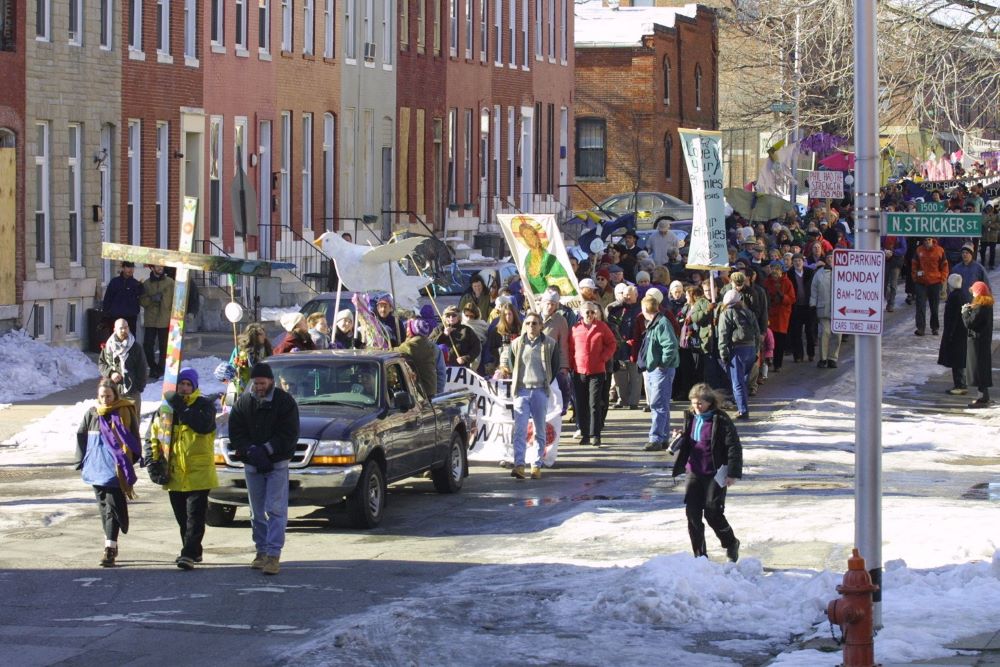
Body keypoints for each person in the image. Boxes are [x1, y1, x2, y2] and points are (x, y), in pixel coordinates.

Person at [228, 362, 301, 575]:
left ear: (271, 381)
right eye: (256, 382)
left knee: (275, 509)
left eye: (262, 382)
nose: (259, 386)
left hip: (277, 464)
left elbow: (289, 434)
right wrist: (250, 450)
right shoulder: (243, 402)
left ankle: (273, 554)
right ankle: (260, 551)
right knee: (256, 511)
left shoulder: (284, 402)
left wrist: (267, 449)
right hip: (252, 465)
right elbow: (236, 431)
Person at [145, 367, 218, 570]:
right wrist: (153, 463)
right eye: (181, 384)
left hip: (199, 472)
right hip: (175, 473)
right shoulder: (165, 411)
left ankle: (187, 554)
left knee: (195, 515)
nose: (185, 388)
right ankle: (194, 550)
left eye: (188, 385)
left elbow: (201, 425)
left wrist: (178, 404)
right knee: (182, 517)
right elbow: (152, 437)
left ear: (194, 387)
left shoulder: (204, 405)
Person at [671, 383, 743, 562]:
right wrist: (679, 436)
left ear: (710, 402)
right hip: (693, 471)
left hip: (714, 473)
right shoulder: (691, 417)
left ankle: (731, 543)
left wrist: (733, 472)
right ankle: (700, 557)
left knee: (713, 513)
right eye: (694, 403)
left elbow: (734, 446)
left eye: (700, 403)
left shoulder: (721, 419)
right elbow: (690, 439)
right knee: (692, 515)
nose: (697, 407)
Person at [76, 379, 142, 567]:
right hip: (95, 466)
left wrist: (131, 461)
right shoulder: (92, 413)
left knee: (112, 508)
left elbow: (134, 437)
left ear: (115, 395)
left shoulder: (124, 411)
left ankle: (110, 548)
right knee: (104, 507)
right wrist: (81, 460)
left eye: (109, 396)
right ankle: (111, 542)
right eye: (102, 396)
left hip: (115, 469)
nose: (105, 400)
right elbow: (81, 435)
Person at [508, 313, 560, 480]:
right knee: (520, 430)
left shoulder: (550, 344)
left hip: (539, 390)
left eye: (535, 323)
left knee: (539, 430)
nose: (531, 326)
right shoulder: (516, 344)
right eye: (528, 323)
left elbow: (555, 365)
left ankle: (536, 465)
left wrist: (544, 382)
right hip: (522, 391)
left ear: (541, 325)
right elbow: (511, 363)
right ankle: (519, 465)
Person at [568, 302, 617, 447]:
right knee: (581, 404)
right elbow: (570, 348)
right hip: (579, 371)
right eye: (587, 312)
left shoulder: (602, 327)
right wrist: (572, 364)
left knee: (594, 403)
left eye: (592, 312)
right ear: (581, 314)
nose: (589, 315)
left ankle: (595, 434)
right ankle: (584, 434)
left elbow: (612, 343)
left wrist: (603, 357)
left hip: (597, 371)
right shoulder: (575, 328)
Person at [638, 295, 679, 451]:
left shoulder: (661, 323)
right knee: (662, 404)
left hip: (661, 370)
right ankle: (662, 437)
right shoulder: (656, 323)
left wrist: (662, 364)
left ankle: (655, 438)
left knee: (658, 404)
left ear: (645, 308)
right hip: (656, 369)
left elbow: (670, 345)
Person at [718, 289, 759, 421]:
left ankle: (743, 410)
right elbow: (757, 333)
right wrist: (756, 350)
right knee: (744, 381)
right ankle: (742, 406)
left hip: (737, 351)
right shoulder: (748, 312)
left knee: (737, 382)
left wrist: (723, 354)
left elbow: (723, 336)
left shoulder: (726, 314)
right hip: (751, 349)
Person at [98, 318, 149, 416]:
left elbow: (143, 369)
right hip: (112, 392)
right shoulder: (109, 347)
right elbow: (102, 364)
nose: (124, 330)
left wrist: (138, 387)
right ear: (114, 330)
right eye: (121, 328)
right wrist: (111, 373)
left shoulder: (135, 347)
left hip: (132, 392)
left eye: (126, 328)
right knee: (114, 422)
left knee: (133, 422)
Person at [512, 216, 574, 295]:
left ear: (537, 236)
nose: (529, 239)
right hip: (533, 297)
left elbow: (559, 275)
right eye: (525, 236)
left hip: (548, 295)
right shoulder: (528, 258)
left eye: (530, 235)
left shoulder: (549, 256)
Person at [962, 282, 994, 408]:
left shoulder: (981, 306)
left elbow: (970, 323)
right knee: (982, 368)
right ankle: (983, 396)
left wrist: (965, 313)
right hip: (983, 341)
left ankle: (982, 397)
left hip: (978, 342)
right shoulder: (986, 304)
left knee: (979, 369)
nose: (973, 293)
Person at [540, 290, 572, 416]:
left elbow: (563, 345)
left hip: (553, 362)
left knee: (558, 390)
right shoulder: (532, 317)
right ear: (542, 303)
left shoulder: (560, 320)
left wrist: (564, 366)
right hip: (535, 363)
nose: (550, 306)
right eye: (548, 303)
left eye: (553, 304)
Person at [140, 265, 175, 379]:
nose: (160, 268)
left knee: (164, 346)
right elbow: (142, 301)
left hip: (165, 319)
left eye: (161, 266)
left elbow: (177, 299)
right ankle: (153, 367)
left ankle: (160, 369)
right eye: (157, 266)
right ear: (152, 268)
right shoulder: (146, 284)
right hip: (151, 320)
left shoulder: (170, 282)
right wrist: (151, 299)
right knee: (147, 346)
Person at [397, 317, 444, 399]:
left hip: (421, 393)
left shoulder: (411, 346)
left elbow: (393, 351)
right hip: (431, 391)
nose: (406, 329)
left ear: (413, 330)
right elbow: (441, 372)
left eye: (408, 327)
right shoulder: (429, 345)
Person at [938, 274, 969, 395]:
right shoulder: (962, 295)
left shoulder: (954, 297)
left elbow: (952, 317)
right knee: (959, 359)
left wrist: (949, 333)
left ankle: (960, 385)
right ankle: (961, 384)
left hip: (956, 333)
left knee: (957, 361)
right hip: (962, 332)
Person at [912, 237, 949, 336]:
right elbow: (914, 264)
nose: (927, 242)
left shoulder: (940, 250)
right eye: (925, 240)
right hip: (921, 282)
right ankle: (920, 328)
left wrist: (942, 279)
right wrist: (915, 277)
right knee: (920, 306)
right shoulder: (919, 250)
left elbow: (945, 266)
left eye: (929, 239)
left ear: (932, 240)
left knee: (934, 306)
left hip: (935, 282)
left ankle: (935, 327)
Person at [809, 259, 841, 369]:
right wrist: (813, 303)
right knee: (825, 333)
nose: (830, 260)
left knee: (837, 334)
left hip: (839, 310)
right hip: (823, 307)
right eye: (828, 258)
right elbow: (814, 289)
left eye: (833, 257)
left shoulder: (842, 271)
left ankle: (833, 358)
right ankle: (823, 358)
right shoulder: (819, 274)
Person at [762, 260, 793, 372]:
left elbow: (792, 299)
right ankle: (768, 360)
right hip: (770, 314)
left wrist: (783, 297)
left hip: (781, 315)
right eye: (773, 270)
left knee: (780, 341)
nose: (775, 273)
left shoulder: (787, 282)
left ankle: (777, 364)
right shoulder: (767, 282)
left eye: (777, 270)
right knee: (769, 340)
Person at [228, 323, 273, 397]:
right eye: (261, 334)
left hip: (263, 385)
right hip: (246, 387)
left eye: (264, 333)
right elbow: (232, 368)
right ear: (254, 336)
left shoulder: (266, 348)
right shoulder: (241, 351)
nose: (264, 336)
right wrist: (238, 366)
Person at [785, 254, 815, 362]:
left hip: (808, 306)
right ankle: (798, 355)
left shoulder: (810, 272)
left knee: (809, 331)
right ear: (792, 263)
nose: (798, 263)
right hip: (795, 307)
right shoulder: (789, 274)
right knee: (796, 332)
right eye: (795, 261)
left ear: (803, 262)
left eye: (799, 261)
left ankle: (811, 353)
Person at [102, 261, 143, 334]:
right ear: (123, 268)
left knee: (130, 340)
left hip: (131, 318)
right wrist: (106, 316)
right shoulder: (115, 282)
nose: (130, 270)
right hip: (116, 317)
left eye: (132, 267)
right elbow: (107, 300)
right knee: (117, 339)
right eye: (128, 267)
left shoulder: (136, 283)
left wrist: (141, 289)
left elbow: (140, 299)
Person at [483, 301, 522, 377]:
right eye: (505, 314)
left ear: (514, 314)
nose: (508, 317)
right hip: (500, 365)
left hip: (518, 364)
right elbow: (490, 349)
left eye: (510, 314)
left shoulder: (520, 329)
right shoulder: (496, 331)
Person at [881, 234, 907, 312]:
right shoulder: (883, 235)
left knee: (893, 284)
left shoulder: (900, 236)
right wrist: (884, 251)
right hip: (885, 261)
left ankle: (891, 304)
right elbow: (878, 244)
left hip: (896, 262)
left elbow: (904, 249)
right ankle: (888, 299)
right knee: (885, 284)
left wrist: (893, 252)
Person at [980, 204, 999, 269]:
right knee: (982, 250)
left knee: (992, 251)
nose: (989, 209)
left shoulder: (996, 214)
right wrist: (987, 223)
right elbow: (982, 222)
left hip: (993, 236)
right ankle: (982, 263)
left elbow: (999, 224)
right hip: (984, 236)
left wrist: (992, 225)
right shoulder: (982, 214)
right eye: (988, 207)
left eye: (990, 208)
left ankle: (991, 264)